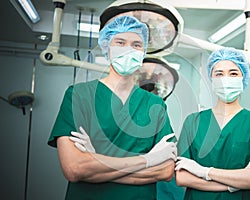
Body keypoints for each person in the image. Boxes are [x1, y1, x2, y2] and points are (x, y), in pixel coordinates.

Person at [48, 15, 177, 200]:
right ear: (107, 49)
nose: (128, 49)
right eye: (120, 42)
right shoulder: (78, 95)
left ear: (143, 54)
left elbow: (165, 171)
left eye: (136, 45)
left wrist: (97, 161)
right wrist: (148, 160)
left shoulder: (155, 104)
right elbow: (75, 168)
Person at [175, 47, 250, 200]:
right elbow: (183, 178)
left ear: (244, 78)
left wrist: (204, 172)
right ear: (211, 79)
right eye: (219, 74)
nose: (225, 79)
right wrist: (233, 184)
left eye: (233, 73)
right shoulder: (193, 122)